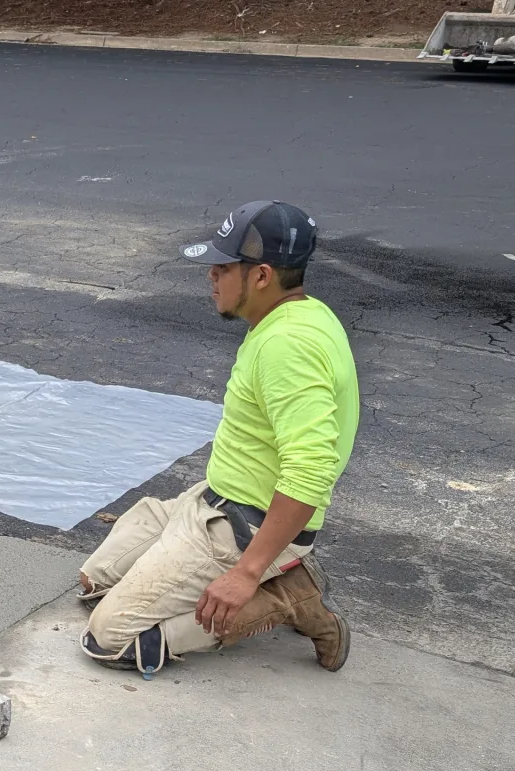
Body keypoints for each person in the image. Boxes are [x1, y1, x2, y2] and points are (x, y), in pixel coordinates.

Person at [78, 200, 359, 676]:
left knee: (109, 638)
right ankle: (226, 564)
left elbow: (311, 472)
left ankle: (290, 597)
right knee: (94, 584)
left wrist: (246, 573)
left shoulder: (287, 346)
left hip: (240, 527)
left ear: (262, 276)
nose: (211, 276)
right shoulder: (298, 315)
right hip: (214, 497)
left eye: (223, 267)